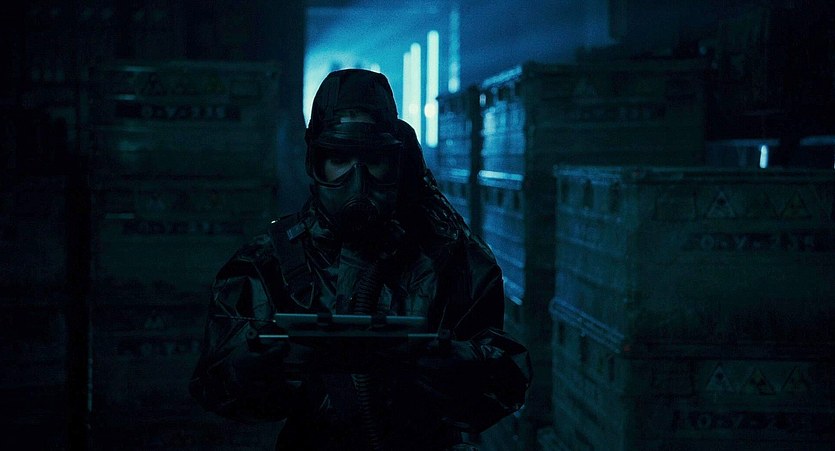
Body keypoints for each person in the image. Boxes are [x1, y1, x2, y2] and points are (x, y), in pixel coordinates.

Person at [189, 69, 531, 450]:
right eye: (339, 157)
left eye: (373, 159)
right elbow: (214, 381)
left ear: (395, 162)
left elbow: (505, 381)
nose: (358, 178)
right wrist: (262, 362)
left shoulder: (447, 256)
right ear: (315, 163)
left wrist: (446, 362)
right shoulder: (272, 260)